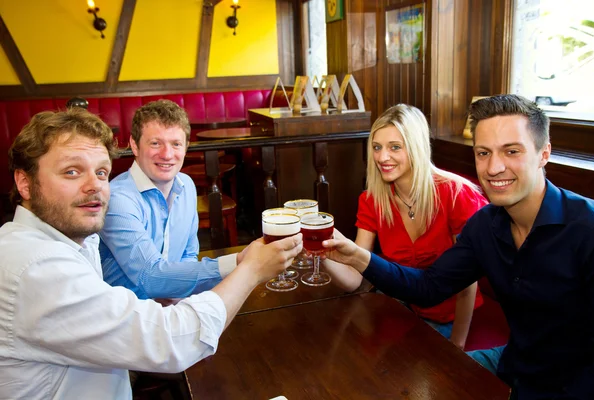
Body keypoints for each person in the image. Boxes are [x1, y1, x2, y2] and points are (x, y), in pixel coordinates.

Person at [0, 108, 302, 399]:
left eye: (101, 172)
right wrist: (247, 268)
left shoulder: (76, 237)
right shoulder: (37, 266)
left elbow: (182, 261)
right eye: (71, 171)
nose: (94, 186)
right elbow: (172, 340)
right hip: (139, 358)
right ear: (24, 182)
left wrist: (178, 290)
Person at [322, 94, 594, 400]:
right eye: (483, 153)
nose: (494, 168)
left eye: (511, 151)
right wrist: (357, 255)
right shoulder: (485, 225)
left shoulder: (591, 230)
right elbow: (429, 287)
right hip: (514, 362)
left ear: (543, 153)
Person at [323, 104, 487, 349]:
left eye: (395, 147)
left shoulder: (455, 194)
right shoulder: (371, 200)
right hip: (397, 308)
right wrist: (322, 251)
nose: (382, 157)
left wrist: (458, 345)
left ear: (417, 148)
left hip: (448, 316)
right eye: (377, 147)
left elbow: (467, 283)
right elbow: (354, 279)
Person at [99, 100, 240, 300]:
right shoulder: (117, 199)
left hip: (173, 308)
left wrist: (177, 297)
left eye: (176, 144)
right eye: (155, 143)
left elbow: (188, 257)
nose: (167, 155)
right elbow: (150, 277)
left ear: (186, 147)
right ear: (134, 145)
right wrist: (239, 263)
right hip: (128, 317)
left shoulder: (187, 186)